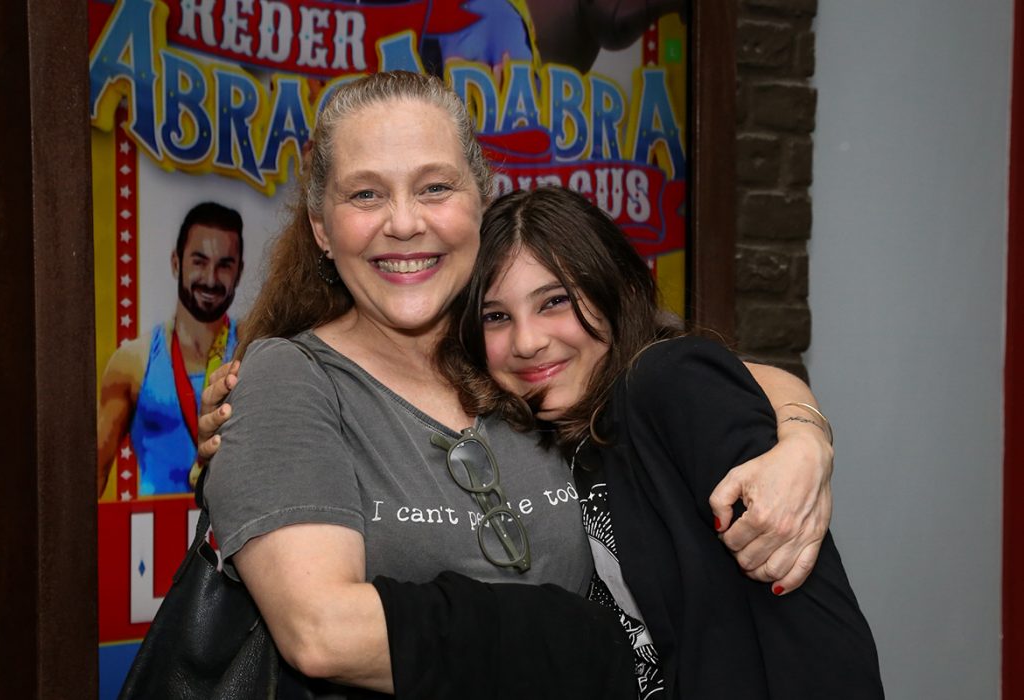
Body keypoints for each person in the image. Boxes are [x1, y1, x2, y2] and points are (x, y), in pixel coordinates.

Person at [197, 71, 836, 698]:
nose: (403, 223)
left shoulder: (518, 351)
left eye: (434, 187)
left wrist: (805, 442)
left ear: (481, 199)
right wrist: (590, 653)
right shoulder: (292, 378)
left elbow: (690, 370)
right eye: (365, 194)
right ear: (320, 228)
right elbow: (322, 634)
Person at [440, 185, 883, 698]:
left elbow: (814, 629)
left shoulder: (666, 381)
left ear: (613, 291)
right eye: (497, 316)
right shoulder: (551, 434)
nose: (527, 341)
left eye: (554, 301)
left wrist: (807, 440)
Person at [96, 201, 243, 499]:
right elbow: (92, 477)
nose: (211, 279)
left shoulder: (254, 349)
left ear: (239, 272)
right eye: (199, 261)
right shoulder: (133, 362)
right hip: (153, 540)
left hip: (235, 541)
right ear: (177, 263)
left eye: (224, 265)